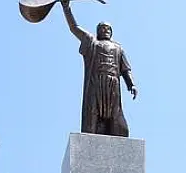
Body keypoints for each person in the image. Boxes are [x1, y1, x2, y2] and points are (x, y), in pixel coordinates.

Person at [58, 0, 137, 137]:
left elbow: (125, 70)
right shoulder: (92, 42)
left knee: (115, 115)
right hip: (96, 83)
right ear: (97, 31)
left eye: (108, 28)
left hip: (113, 84)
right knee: (92, 113)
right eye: (102, 28)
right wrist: (66, 8)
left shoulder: (118, 48)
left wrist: (132, 84)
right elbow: (74, 28)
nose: (105, 30)